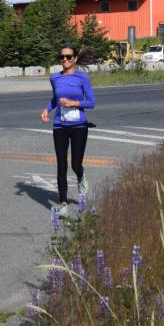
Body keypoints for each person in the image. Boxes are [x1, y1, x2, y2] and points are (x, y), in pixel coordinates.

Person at [40, 45, 95, 217]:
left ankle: (81, 175)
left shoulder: (82, 77)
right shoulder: (54, 77)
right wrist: (46, 109)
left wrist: (74, 103)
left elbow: (91, 102)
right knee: (61, 165)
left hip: (79, 125)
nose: (65, 59)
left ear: (75, 59)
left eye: (69, 56)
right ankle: (63, 203)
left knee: (75, 164)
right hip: (59, 125)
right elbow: (55, 99)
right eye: (62, 57)